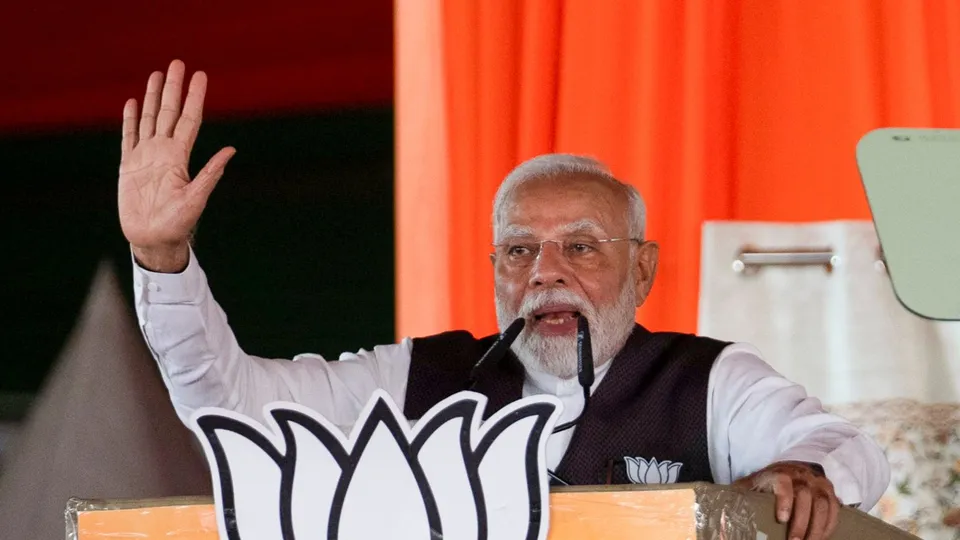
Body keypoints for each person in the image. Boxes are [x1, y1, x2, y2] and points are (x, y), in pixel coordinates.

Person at [119, 60, 889, 540]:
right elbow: (230, 403)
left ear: (643, 270)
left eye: (581, 248)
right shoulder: (418, 379)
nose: (546, 273)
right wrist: (161, 257)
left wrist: (799, 472)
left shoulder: (708, 381)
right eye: (520, 251)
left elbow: (844, 448)